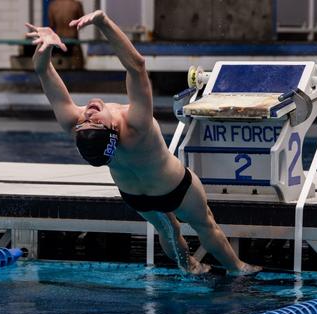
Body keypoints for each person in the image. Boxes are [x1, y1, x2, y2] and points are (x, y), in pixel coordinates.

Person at [25, 10, 261, 275]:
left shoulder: (77, 126)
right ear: (112, 129)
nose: (87, 114)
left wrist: (45, 48)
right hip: (174, 187)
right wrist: (103, 22)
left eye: (86, 119)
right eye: (93, 120)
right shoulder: (136, 124)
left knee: (167, 229)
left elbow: (42, 71)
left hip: (135, 195)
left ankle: (191, 267)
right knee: (206, 224)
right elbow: (136, 65)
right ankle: (238, 268)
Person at [47, 0, 84, 69]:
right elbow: (82, 23)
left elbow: (52, 25)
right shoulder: (76, 5)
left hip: (59, 42)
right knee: (79, 69)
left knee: (58, 69)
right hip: (73, 41)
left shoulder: (53, 5)